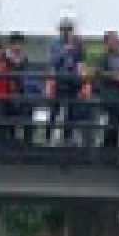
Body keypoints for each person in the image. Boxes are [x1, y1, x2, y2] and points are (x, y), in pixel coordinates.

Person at [47, 17, 83, 146]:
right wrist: (65, 50)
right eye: (65, 29)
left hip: (72, 81)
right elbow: (53, 61)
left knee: (71, 111)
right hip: (59, 80)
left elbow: (80, 62)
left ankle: (67, 138)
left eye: (69, 29)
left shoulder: (77, 43)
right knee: (55, 111)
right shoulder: (54, 43)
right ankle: (48, 137)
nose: (67, 32)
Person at [4, 32, 34, 145]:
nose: (18, 46)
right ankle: (10, 140)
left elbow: (27, 76)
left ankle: (27, 142)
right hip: (7, 92)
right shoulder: (5, 58)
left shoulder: (24, 59)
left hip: (22, 91)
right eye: (16, 44)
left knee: (27, 111)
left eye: (20, 44)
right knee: (9, 114)